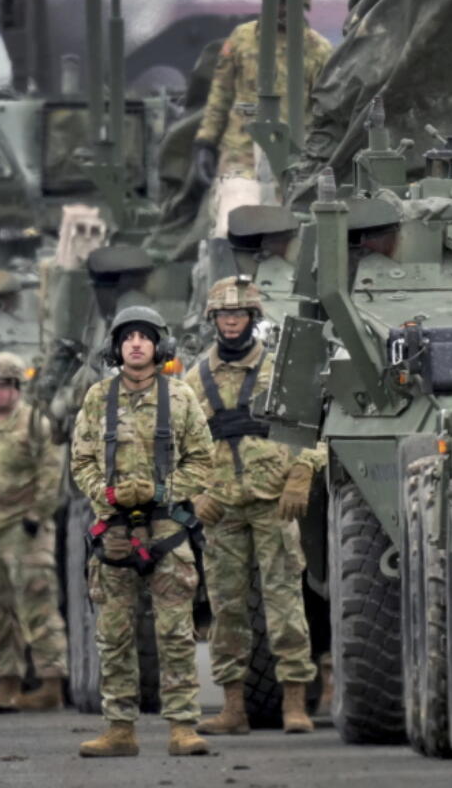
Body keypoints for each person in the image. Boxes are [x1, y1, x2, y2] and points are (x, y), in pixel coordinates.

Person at [70, 306, 215, 757]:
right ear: (117, 347)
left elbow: (202, 461)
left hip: (168, 527)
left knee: (174, 634)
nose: (136, 343)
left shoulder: (180, 397)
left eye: (144, 337)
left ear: (159, 347)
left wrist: (161, 491)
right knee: (113, 636)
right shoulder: (98, 398)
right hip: (113, 532)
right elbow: (81, 461)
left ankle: (183, 727)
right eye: (128, 337)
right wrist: (107, 496)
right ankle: (119, 729)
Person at [183, 276, 326, 735]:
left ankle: (295, 704)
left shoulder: (278, 371)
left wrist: (302, 473)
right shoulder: (194, 380)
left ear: (252, 319)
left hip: (273, 504)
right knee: (227, 611)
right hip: (221, 509)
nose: (231, 322)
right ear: (212, 320)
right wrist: (194, 494)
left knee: (285, 605)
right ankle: (233, 708)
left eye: (239, 314)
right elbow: (172, 446)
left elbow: (313, 426)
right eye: (223, 315)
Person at [193, 0, 334, 228]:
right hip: (241, 154)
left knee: (284, 233)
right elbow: (220, 94)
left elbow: (327, 109)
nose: (280, 9)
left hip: (292, 160)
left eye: (287, 2)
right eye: (275, 1)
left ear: (302, 4)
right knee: (234, 223)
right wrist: (205, 141)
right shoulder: (241, 39)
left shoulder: (319, 50)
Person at [0, 352, 68, 713]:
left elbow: (50, 469)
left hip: (24, 528)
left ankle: (50, 684)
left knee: (36, 603)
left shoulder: (34, 424)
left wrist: (37, 513)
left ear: (16, 388)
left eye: (2, 386)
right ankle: (7, 682)